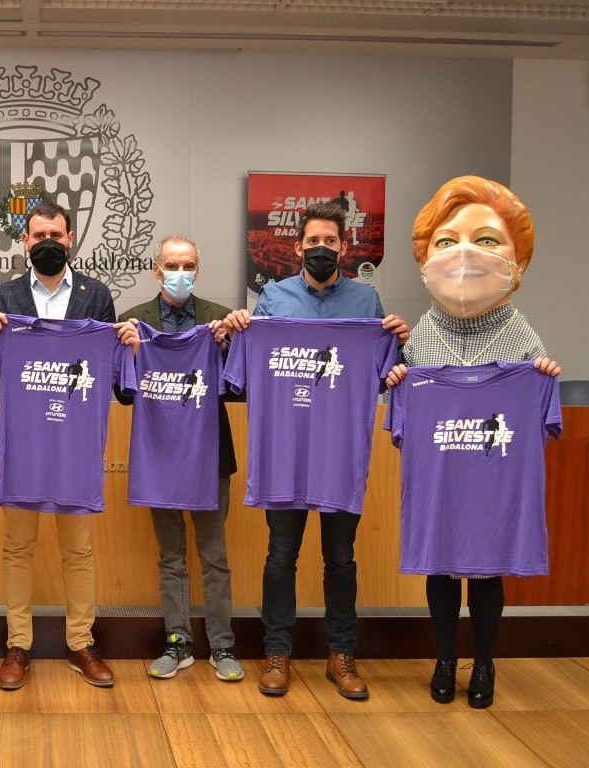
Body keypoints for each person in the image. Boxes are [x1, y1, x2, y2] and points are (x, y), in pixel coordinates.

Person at [222, 201, 409, 700]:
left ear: (343, 248)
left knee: (341, 558)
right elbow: (244, 369)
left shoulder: (367, 303)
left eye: (330, 241)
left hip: (339, 454)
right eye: (313, 241)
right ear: (297, 246)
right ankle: (277, 652)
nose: (321, 248)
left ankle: (341, 655)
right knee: (280, 556)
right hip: (284, 452)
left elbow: (385, 376)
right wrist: (240, 330)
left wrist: (400, 344)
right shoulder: (272, 299)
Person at [385, 176, 560, 708]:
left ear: (517, 260)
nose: (465, 253)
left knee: (487, 572)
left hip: (492, 480)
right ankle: (444, 658)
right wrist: (398, 381)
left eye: (486, 240)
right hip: (442, 481)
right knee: (440, 568)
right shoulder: (421, 336)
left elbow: (542, 421)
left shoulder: (523, 338)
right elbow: (402, 422)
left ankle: (484, 663)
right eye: (447, 240)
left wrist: (543, 379)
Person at [0, 200, 128, 689]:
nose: (48, 242)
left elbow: (112, 375)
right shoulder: (4, 296)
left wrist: (128, 344)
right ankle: (17, 645)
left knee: (78, 550)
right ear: (25, 241)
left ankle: (81, 643)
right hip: (22, 443)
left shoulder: (95, 296)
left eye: (56, 235)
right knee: (18, 547)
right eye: (39, 235)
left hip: (75, 444)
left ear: (70, 239)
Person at [116, 234, 243, 682]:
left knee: (214, 555)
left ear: (197, 269)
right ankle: (178, 642)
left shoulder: (218, 319)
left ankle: (222, 645)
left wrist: (228, 346)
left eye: (188, 265)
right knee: (171, 557)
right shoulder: (133, 321)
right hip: (159, 453)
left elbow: (238, 388)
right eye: (172, 265)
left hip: (209, 454)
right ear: (157, 270)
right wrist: (130, 351)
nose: (180, 273)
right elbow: (123, 394)